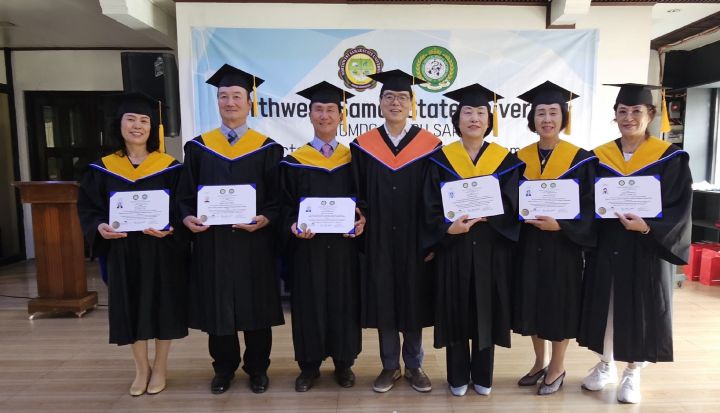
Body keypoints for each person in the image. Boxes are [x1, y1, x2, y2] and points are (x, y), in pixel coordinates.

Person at [578, 83, 692, 404]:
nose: (629, 117)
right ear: (615, 115)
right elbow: (586, 201)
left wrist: (647, 227)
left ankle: (632, 371)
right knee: (606, 305)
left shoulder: (669, 158)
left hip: (646, 247)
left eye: (636, 111)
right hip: (608, 245)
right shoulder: (598, 158)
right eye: (622, 111)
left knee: (640, 308)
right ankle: (605, 364)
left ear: (650, 114)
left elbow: (679, 207)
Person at [176, 64, 284, 395]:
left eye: (237, 96)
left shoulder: (268, 148)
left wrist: (267, 218)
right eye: (223, 96)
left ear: (250, 103)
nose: (230, 102)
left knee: (256, 307)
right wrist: (187, 218)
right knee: (218, 306)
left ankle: (257, 369)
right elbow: (184, 197)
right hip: (214, 242)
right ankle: (223, 368)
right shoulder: (198, 148)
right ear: (217, 102)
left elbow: (278, 199)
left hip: (254, 243)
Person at [77, 92, 188, 396]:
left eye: (144, 121)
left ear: (152, 128)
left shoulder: (170, 167)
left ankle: (160, 367)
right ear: (120, 124)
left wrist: (172, 227)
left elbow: (182, 207)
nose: (137, 126)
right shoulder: (101, 168)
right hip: (122, 250)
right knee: (131, 306)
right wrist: (99, 227)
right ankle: (141, 369)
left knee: (162, 306)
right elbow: (89, 209)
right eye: (131, 119)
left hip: (160, 250)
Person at [423, 84, 524, 397]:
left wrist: (492, 214)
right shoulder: (440, 160)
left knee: (486, 308)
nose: (474, 118)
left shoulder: (505, 161)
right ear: (457, 119)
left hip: (491, 248)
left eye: (481, 112)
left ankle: (482, 374)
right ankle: (456, 375)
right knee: (455, 308)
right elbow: (429, 205)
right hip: (455, 247)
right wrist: (446, 229)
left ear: (489, 120)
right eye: (467, 112)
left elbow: (514, 203)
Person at [350, 69, 441, 393]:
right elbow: (357, 192)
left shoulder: (431, 146)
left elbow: (435, 197)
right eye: (388, 97)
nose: (395, 102)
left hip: (415, 238)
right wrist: (360, 220)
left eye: (402, 97)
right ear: (379, 103)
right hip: (379, 239)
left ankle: (414, 365)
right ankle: (390, 365)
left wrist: (431, 239)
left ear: (412, 104)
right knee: (384, 299)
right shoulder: (363, 146)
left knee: (413, 299)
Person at [280, 81, 366, 392]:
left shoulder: (354, 159)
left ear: (341, 116)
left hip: (344, 248)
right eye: (319, 109)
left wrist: (362, 221)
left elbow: (365, 201)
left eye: (331, 110)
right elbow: (285, 205)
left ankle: (344, 363)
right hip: (309, 249)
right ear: (310, 115)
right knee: (309, 303)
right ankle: (309, 366)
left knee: (344, 301)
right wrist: (292, 225)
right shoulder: (294, 161)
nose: (325, 115)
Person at [513, 81, 597, 395]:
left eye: (553, 112)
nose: (547, 119)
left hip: (563, 247)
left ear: (563, 117)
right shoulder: (519, 159)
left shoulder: (581, 160)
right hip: (529, 245)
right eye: (541, 113)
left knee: (559, 305)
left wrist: (561, 226)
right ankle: (540, 361)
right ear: (532, 119)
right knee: (533, 303)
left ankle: (558, 367)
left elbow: (590, 207)